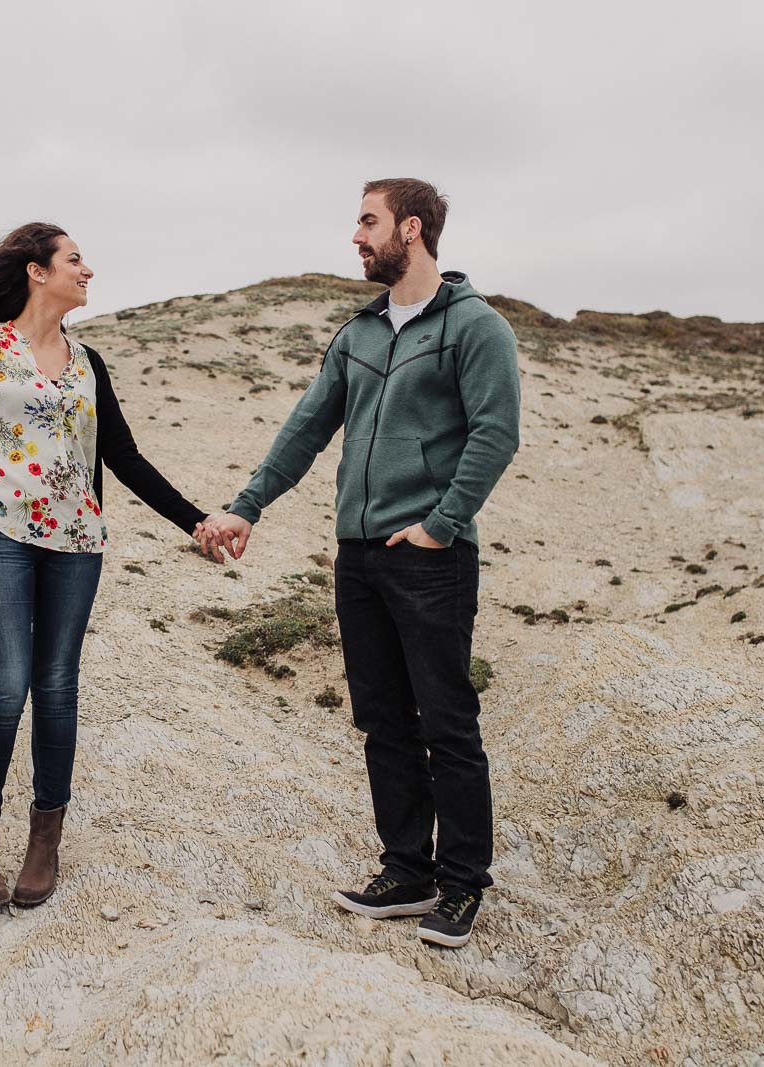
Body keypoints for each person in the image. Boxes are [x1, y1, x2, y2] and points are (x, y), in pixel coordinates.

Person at [199, 179, 521, 948]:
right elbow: (306, 427)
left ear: (411, 229)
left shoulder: (476, 327)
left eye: (367, 220)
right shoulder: (360, 334)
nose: (356, 236)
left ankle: (463, 883)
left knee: (447, 719)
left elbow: (495, 434)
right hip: (358, 556)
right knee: (382, 719)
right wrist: (247, 505)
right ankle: (407, 869)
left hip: (430, 558)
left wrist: (443, 526)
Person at [0, 222, 226, 910]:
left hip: (74, 540)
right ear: (38, 271)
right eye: (74, 260)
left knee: (57, 684)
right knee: (6, 686)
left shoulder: (88, 360)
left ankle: (45, 839)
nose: (87, 270)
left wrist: (195, 520)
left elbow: (122, 455)